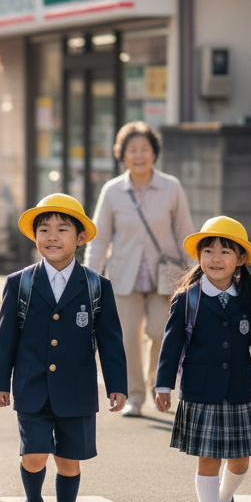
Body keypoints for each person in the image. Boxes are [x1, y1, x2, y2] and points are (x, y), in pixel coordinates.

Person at [0, 194, 127, 502]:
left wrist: (117, 385)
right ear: (35, 236)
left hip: (77, 389)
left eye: (62, 229)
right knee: (34, 453)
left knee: (68, 460)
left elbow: (110, 340)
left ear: (80, 238)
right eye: (44, 229)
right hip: (32, 385)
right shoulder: (19, 283)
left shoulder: (97, 286)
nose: (52, 236)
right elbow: (6, 337)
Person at [153, 216, 251, 502]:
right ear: (199, 257)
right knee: (208, 459)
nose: (215, 257)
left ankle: (225, 500)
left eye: (225, 251)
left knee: (240, 460)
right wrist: (163, 385)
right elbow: (171, 345)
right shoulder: (188, 299)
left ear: (240, 259)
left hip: (239, 391)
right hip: (200, 389)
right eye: (208, 250)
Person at [85, 121, 194, 417]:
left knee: (160, 332)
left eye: (144, 149)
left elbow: (186, 232)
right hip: (123, 275)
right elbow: (100, 238)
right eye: (132, 150)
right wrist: (87, 277)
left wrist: (198, 273)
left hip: (166, 276)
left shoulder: (172, 188)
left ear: (154, 153)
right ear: (122, 154)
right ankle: (135, 396)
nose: (139, 155)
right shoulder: (112, 191)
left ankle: (156, 384)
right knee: (128, 335)